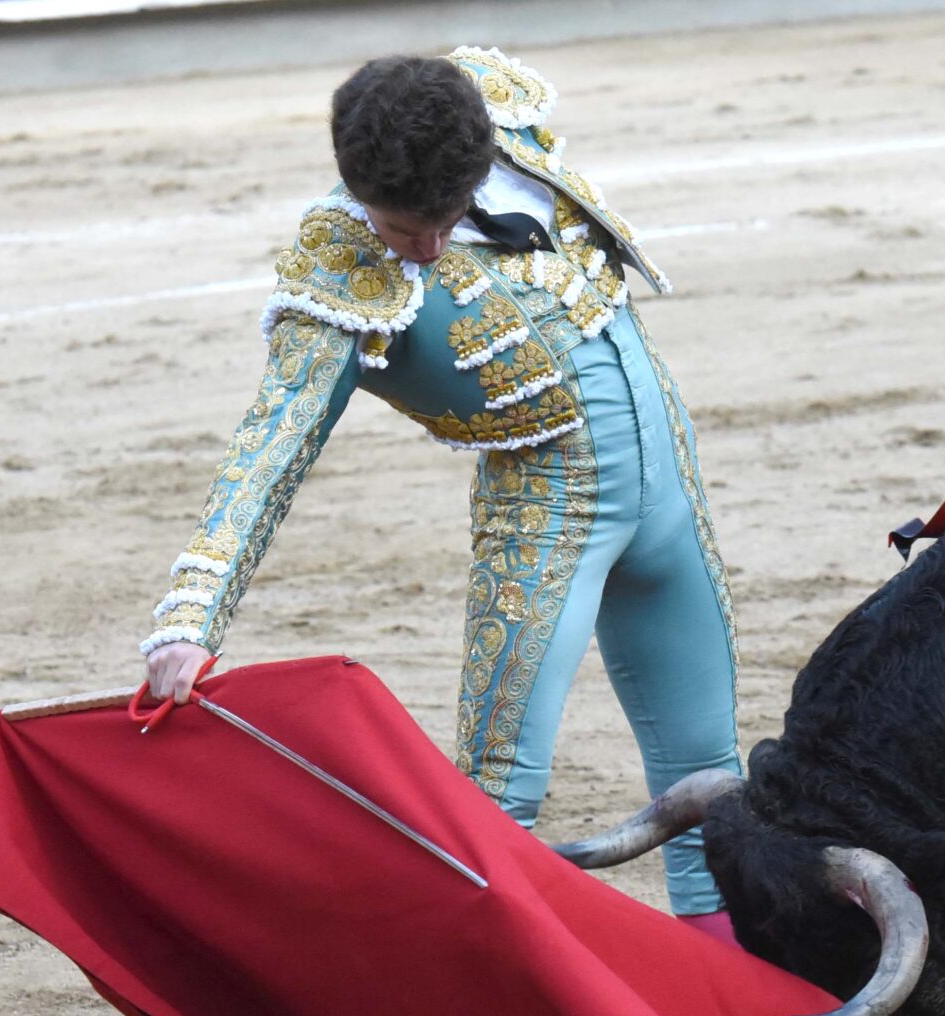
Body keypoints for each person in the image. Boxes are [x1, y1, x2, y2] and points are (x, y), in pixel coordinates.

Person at [139, 48, 741, 922]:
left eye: (442, 220)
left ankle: (735, 1008)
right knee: (495, 807)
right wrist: (189, 621)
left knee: (710, 779)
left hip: (672, 495)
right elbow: (269, 449)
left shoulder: (507, 129)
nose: (422, 248)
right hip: (550, 520)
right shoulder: (338, 273)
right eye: (398, 230)